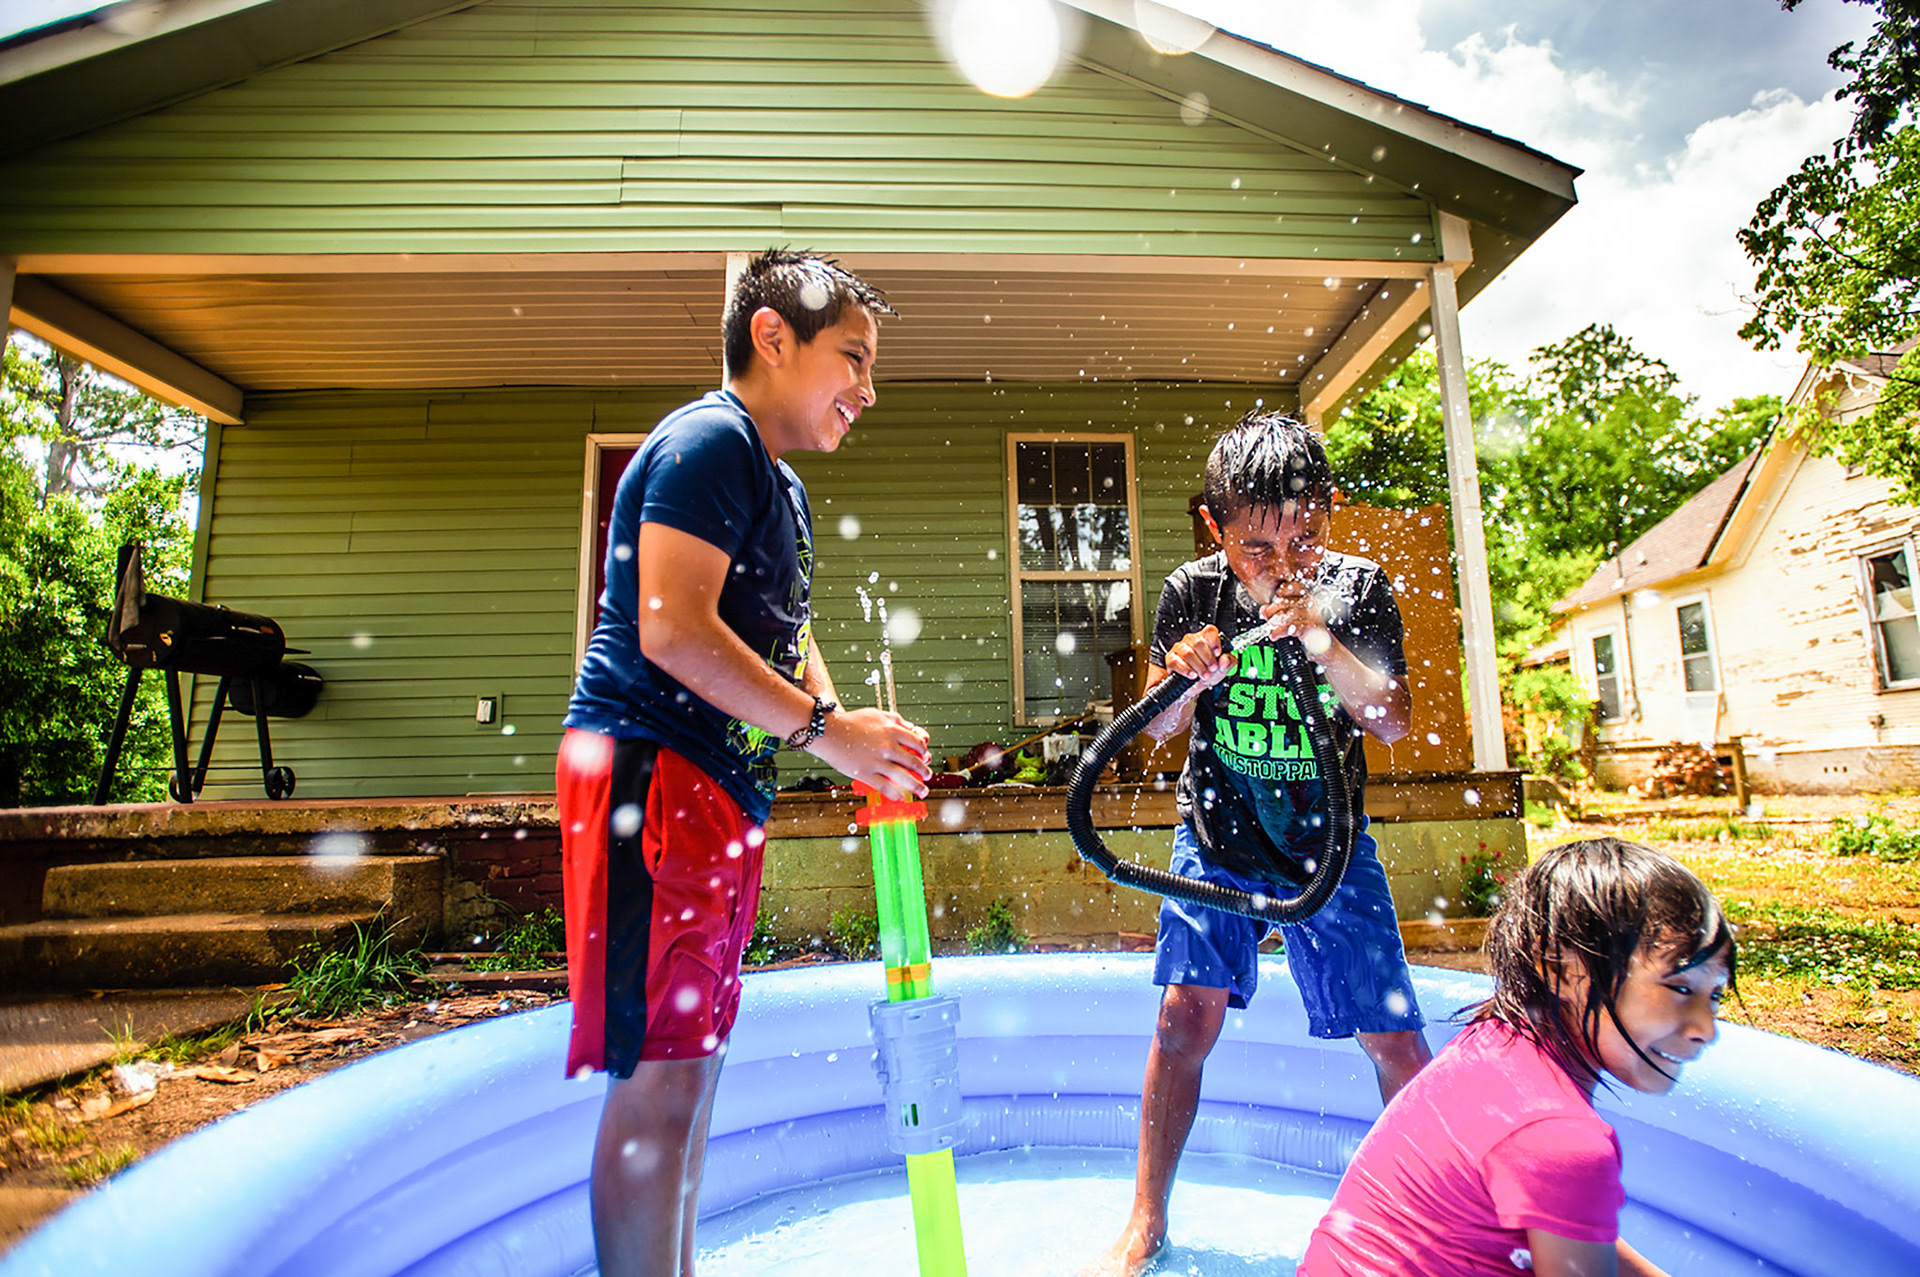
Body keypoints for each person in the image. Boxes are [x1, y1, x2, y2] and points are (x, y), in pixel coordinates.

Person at [556, 248, 933, 1276]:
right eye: (851, 357)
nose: (867, 386)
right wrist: (826, 730)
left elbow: (777, 635)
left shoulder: (781, 485)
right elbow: (673, 627)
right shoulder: (709, 440)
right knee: (658, 1080)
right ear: (774, 337)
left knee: (694, 1070)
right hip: (651, 772)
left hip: (713, 786)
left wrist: (845, 724)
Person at [1092, 410, 1431, 1277]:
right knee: (1181, 1020)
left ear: (1329, 510)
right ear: (1217, 524)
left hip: (1330, 844)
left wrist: (1319, 633)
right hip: (1218, 831)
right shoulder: (1192, 593)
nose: (1282, 566)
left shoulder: (1356, 590)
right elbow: (1162, 730)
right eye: (1257, 547)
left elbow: (1390, 721)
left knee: (1393, 1037)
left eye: (1304, 539)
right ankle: (1146, 1216)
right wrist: (1183, 675)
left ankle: (1432, 1218)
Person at [1298, 837, 1734, 1276]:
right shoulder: (1561, 1138)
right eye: (1679, 989)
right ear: (1560, 968)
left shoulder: (1492, 1048)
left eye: (1714, 995)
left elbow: (1571, 1227)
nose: (1706, 1029)